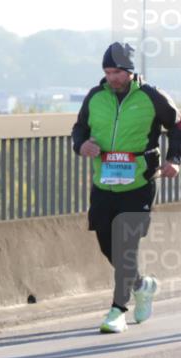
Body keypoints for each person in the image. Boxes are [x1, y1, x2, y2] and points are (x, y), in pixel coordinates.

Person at [71, 42, 180, 333]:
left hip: (139, 183)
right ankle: (142, 285)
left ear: (130, 71)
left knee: (126, 246)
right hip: (103, 184)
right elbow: (79, 128)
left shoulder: (152, 97)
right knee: (109, 246)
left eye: (117, 71)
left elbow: (177, 127)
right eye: (107, 71)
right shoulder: (95, 97)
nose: (112, 78)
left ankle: (118, 310)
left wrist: (174, 159)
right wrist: (81, 145)